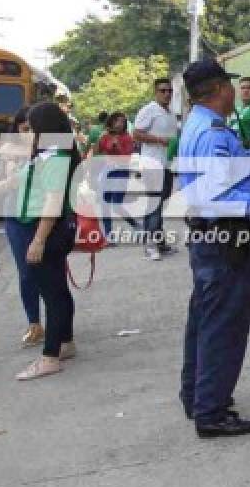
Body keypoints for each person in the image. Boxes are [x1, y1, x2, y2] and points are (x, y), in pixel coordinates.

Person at [176, 59, 250, 437]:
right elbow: (215, 198)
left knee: (203, 322)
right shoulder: (213, 133)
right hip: (224, 238)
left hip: (211, 238)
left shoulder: (198, 126)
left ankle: (197, 396)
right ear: (220, 88)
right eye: (230, 86)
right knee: (223, 327)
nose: (234, 92)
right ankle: (212, 412)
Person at [13, 101, 84, 381]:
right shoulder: (52, 154)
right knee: (57, 290)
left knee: (52, 295)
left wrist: (38, 240)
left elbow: (53, 203)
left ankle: (50, 356)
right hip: (52, 230)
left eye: (31, 127)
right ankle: (64, 342)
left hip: (48, 230)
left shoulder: (55, 158)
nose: (27, 133)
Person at [0, 106, 44, 347]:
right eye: (25, 129)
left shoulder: (49, 150)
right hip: (16, 216)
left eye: (35, 129)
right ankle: (34, 323)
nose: (30, 134)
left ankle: (58, 321)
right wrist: (12, 180)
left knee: (50, 271)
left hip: (45, 217)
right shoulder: (7, 151)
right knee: (26, 272)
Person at [133, 78, 180, 261]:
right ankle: (150, 245)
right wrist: (160, 140)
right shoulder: (149, 110)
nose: (167, 94)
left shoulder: (170, 112)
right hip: (152, 164)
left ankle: (160, 242)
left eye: (169, 91)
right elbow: (136, 134)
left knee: (161, 204)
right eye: (163, 91)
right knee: (153, 205)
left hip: (166, 164)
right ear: (155, 92)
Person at [94, 112, 136, 240]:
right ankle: (108, 235)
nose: (120, 124)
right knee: (105, 204)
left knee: (117, 205)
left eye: (123, 121)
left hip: (121, 172)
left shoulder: (127, 137)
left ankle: (135, 224)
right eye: (117, 121)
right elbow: (97, 151)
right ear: (111, 122)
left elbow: (126, 156)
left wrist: (117, 144)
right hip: (108, 171)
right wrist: (100, 139)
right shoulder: (106, 136)